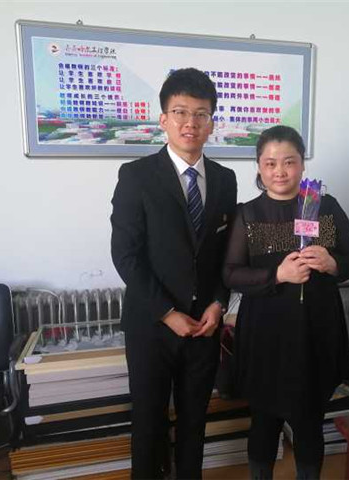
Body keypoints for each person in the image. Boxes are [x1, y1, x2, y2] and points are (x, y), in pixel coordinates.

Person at [110, 68, 237, 479]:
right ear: (163, 119)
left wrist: (218, 304)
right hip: (151, 325)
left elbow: (225, 255)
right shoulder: (136, 176)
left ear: (212, 122)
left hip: (204, 325)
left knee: (195, 421)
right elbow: (125, 255)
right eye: (180, 112)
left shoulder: (225, 180)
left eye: (201, 114)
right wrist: (167, 313)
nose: (190, 123)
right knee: (148, 422)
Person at [222, 125, 349, 479]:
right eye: (270, 163)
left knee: (310, 419)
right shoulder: (248, 214)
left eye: (289, 161)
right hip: (265, 333)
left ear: (302, 164)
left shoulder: (324, 207)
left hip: (316, 329)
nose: (280, 171)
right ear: (259, 166)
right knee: (264, 419)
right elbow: (231, 274)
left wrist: (332, 264)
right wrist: (278, 275)